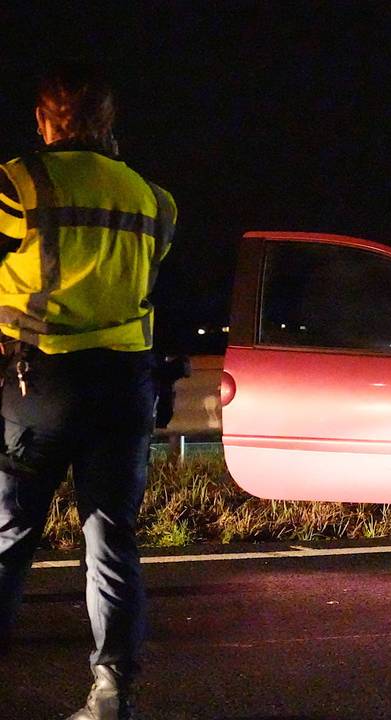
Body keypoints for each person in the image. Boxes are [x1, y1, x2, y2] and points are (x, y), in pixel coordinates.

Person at [0, 61, 175, 720]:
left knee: (10, 535)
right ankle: (112, 694)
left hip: (37, 386)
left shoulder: (17, 184)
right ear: (108, 122)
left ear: (43, 121)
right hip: (124, 387)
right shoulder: (154, 199)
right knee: (112, 542)